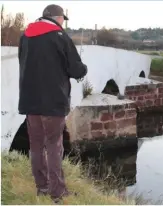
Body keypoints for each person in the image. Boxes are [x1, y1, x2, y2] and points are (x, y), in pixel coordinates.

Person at [18, 4, 88, 203]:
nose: (62, 23)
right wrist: (84, 69)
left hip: (30, 100)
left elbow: (22, 63)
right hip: (53, 101)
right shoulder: (60, 37)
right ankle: (57, 193)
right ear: (58, 18)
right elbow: (76, 70)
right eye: (62, 19)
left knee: (36, 145)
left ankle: (42, 188)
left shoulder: (25, 36)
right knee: (54, 146)